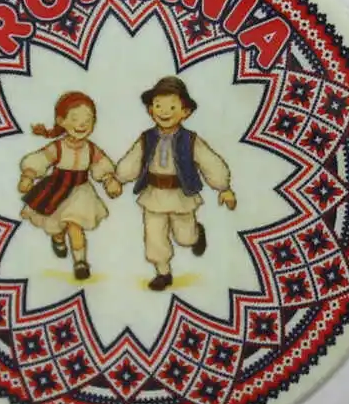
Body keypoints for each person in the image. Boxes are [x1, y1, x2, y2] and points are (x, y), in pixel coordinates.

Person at [115, 76, 236, 291]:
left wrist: (223, 187)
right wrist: (119, 178)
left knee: (185, 238)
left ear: (185, 111)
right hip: (153, 193)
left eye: (172, 106)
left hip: (181, 194)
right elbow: (133, 161)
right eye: (158, 106)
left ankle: (196, 234)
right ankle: (163, 272)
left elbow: (210, 162)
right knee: (154, 235)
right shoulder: (146, 138)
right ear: (150, 110)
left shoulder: (191, 140)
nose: (164, 112)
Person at [18, 91, 122, 280]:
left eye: (88, 120)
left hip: (81, 192)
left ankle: (80, 262)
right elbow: (40, 159)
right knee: (57, 227)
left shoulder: (91, 149)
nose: (82, 125)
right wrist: (28, 175)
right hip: (56, 188)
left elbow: (101, 165)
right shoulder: (58, 147)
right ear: (61, 121)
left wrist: (109, 180)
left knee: (75, 225)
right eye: (75, 119)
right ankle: (58, 239)